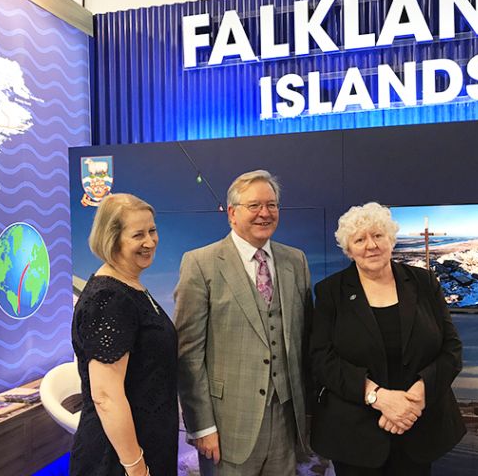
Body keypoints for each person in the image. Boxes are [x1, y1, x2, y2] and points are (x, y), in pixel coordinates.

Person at [310, 202, 465, 476]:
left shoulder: (425, 283)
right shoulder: (330, 292)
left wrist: (419, 395)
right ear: (349, 249)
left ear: (391, 239)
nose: (371, 245)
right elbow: (322, 360)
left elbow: (451, 349)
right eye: (360, 239)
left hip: (418, 428)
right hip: (355, 438)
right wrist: (377, 397)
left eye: (378, 235)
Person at [175, 170, 313, 475]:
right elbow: (189, 354)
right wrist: (202, 426)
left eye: (272, 205)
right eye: (254, 206)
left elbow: (305, 342)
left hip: (286, 421)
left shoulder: (296, 261)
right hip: (226, 427)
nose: (265, 213)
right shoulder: (201, 263)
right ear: (233, 214)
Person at [70, 194, 177, 476]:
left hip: (145, 445)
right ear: (112, 239)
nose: (150, 242)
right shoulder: (108, 298)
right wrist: (137, 467)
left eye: (152, 231)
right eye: (138, 235)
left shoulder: (130, 287)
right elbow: (105, 396)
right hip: (117, 459)